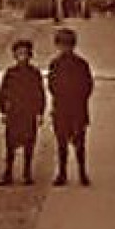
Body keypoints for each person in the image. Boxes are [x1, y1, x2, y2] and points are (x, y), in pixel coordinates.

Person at [47, 26, 94, 186]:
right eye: (62, 45)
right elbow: (51, 84)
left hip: (78, 107)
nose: (65, 48)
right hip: (61, 107)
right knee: (61, 143)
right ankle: (62, 172)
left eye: (68, 45)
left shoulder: (81, 64)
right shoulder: (55, 64)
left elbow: (88, 85)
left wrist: (80, 98)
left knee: (79, 142)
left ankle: (82, 172)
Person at [0, 38, 46, 185]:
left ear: (30, 55)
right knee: (10, 145)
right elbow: (3, 92)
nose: (22, 57)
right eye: (19, 54)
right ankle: (8, 173)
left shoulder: (34, 73)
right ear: (15, 56)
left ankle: (27, 173)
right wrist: (3, 111)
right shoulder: (10, 73)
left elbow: (40, 93)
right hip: (14, 112)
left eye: (25, 54)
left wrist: (40, 112)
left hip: (29, 113)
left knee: (29, 144)